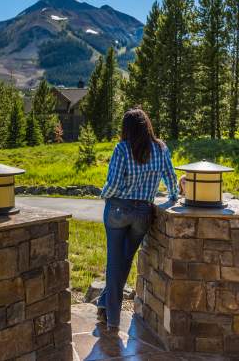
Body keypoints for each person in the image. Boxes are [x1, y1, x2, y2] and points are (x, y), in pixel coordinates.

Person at [94, 108, 178, 331]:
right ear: (147, 126)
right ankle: (104, 304)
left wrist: (103, 195)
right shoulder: (161, 148)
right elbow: (171, 177)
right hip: (143, 213)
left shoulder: (122, 149)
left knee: (114, 264)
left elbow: (112, 184)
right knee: (124, 261)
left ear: (126, 129)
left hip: (118, 210)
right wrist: (173, 197)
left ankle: (112, 320)